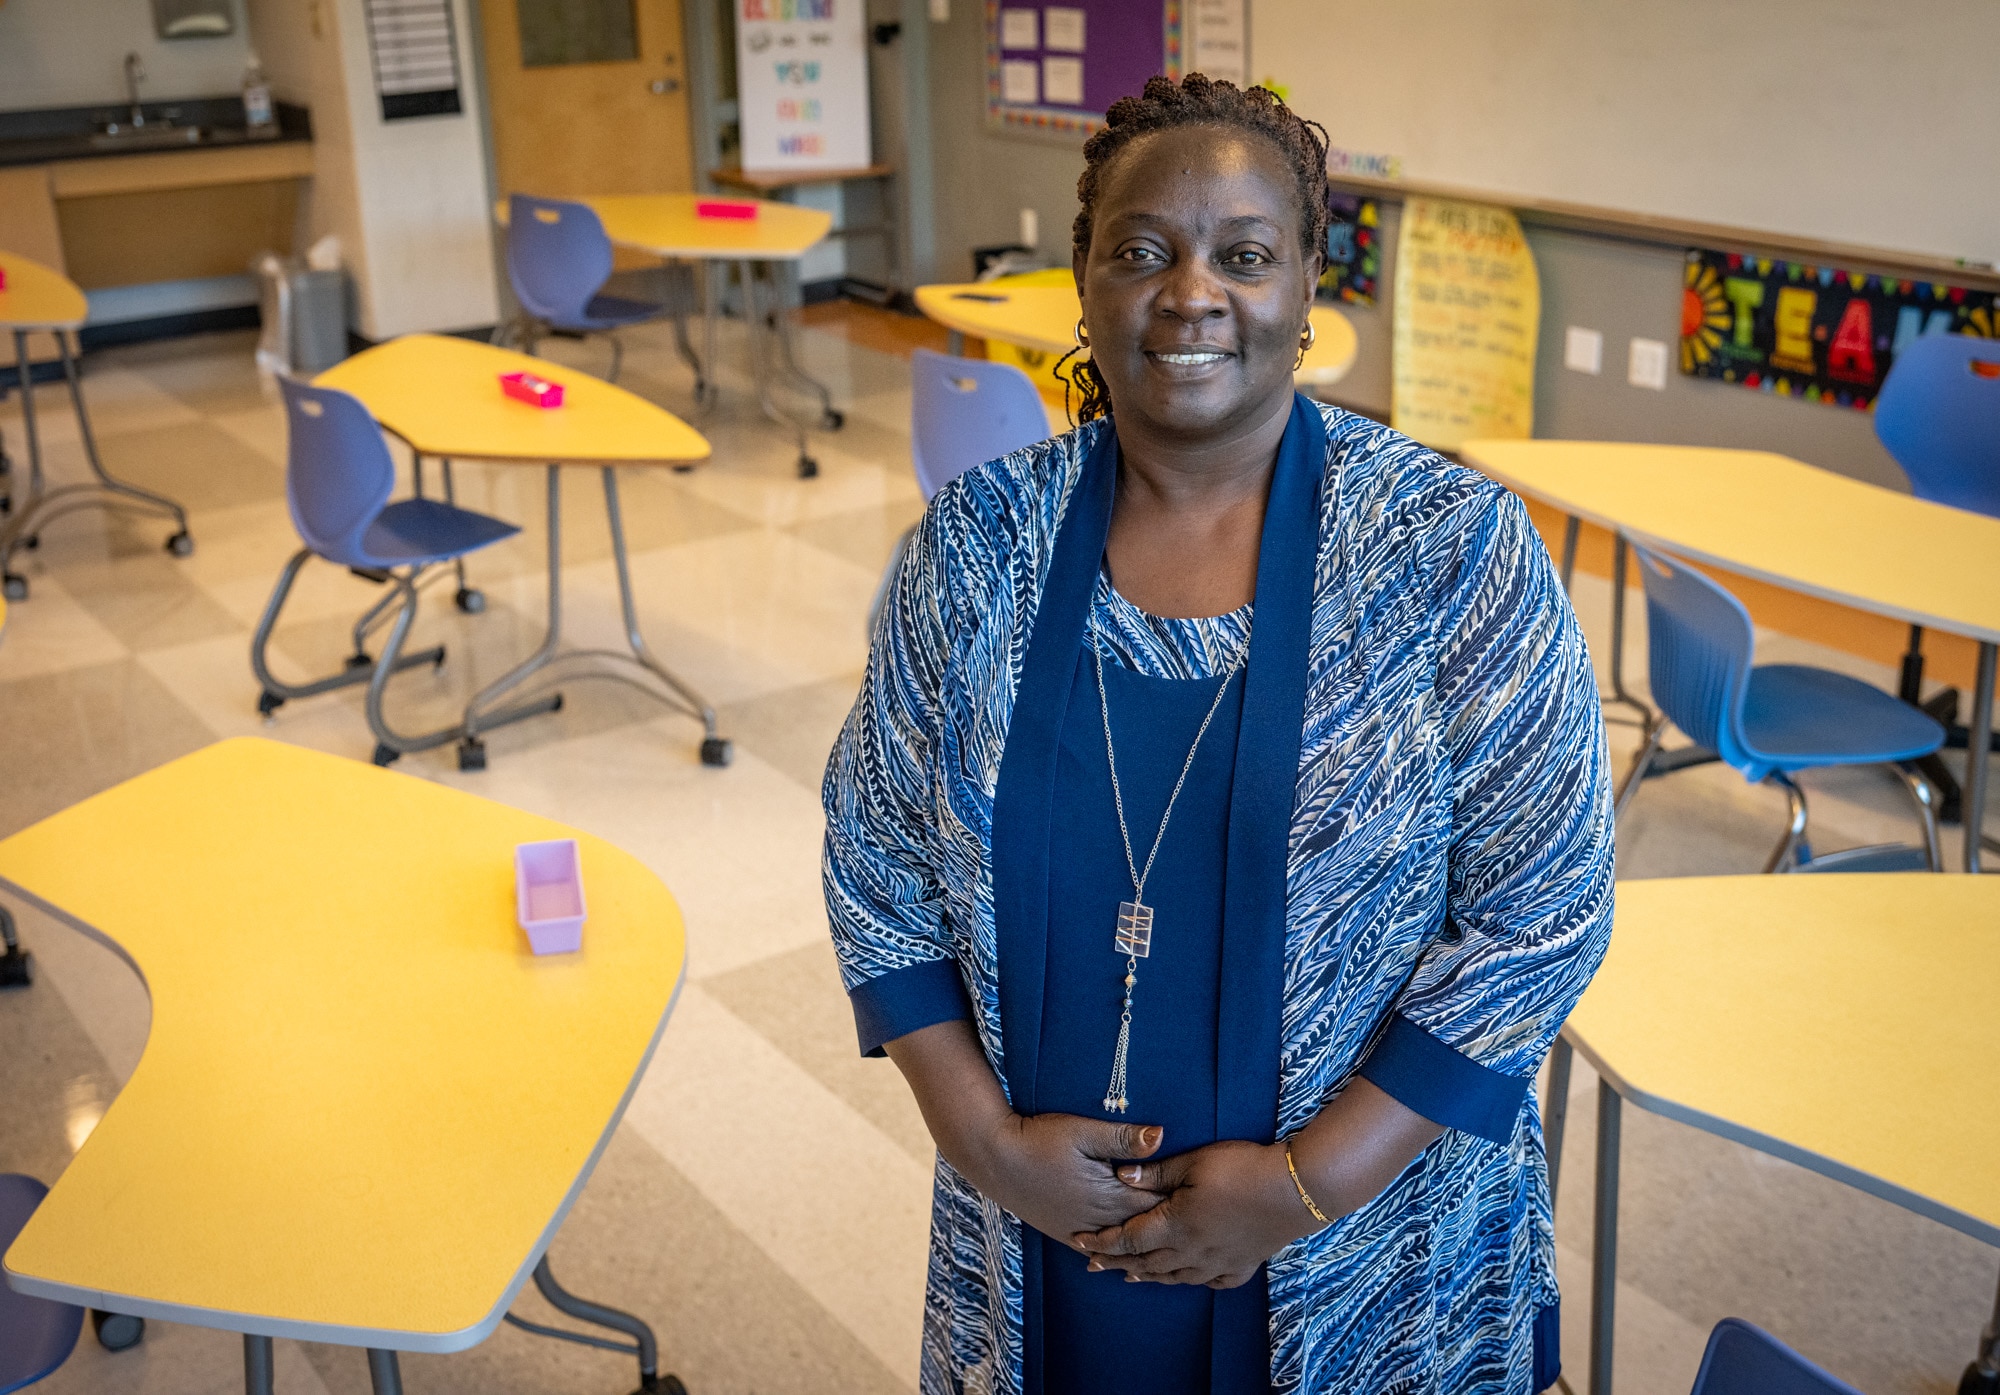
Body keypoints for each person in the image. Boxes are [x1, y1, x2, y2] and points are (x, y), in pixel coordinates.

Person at [824, 73, 1613, 1395]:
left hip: (1364, 1248)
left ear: (1309, 291)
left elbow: (1545, 913)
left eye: (1244, 256)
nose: (1191, 292)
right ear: (1083, 282)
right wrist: (981, 1142)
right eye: (1141, 250)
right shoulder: (973, 548)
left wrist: (1308, 1186)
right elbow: (875, 859)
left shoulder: (1449, 550)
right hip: (1042, 1246)